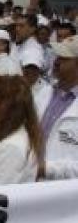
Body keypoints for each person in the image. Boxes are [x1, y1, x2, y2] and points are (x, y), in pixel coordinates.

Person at [34, 35, 78, 180]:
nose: (56, 62)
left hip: (63, 196)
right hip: (30, 185)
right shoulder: (44, 92)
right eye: (57, 57)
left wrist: (46, 169)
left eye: (64, 58)